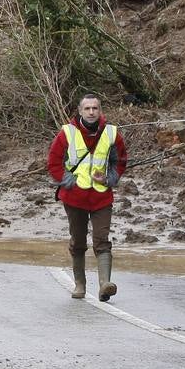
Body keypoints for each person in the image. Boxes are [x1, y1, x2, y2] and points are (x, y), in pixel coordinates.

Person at [48, 94, 128, 301]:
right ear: (80, 111)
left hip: (102, 197)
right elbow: (54, 162)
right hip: (75, 199)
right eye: (87, 108)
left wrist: (108, 178)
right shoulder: (67, 132)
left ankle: (105, 285)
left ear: (100, 111)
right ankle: (80, 285)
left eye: (95, 108)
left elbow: (119, 163)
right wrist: (69, 182)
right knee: (78, 242)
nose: (91, 112)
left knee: (102, 240)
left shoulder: (112, 133)